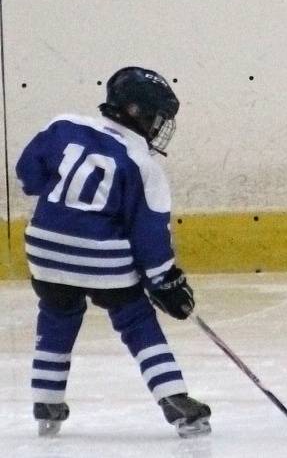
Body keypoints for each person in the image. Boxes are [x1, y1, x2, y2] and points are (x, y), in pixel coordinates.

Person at [15, 66, 211, 438]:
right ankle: (174, 398)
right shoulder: (141, 162)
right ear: (137, 112)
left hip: (43, 249)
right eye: (155, 117)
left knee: (57, 312)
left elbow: (28, 174)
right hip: (100, 258)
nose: (157, 127)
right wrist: (165, 280)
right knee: (136, 317)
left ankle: (46, 399)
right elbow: (148, 233)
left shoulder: (63, 124)